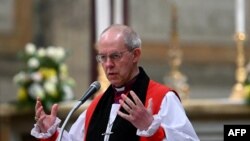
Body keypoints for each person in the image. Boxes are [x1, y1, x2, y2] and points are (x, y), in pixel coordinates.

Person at [31, 24, 199, 141]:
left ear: (135, 55)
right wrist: (51, 133)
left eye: (115, 56)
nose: (108, 64)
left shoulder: (162, 98)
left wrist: (152, 129)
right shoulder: (97, 106)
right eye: (103, 57)